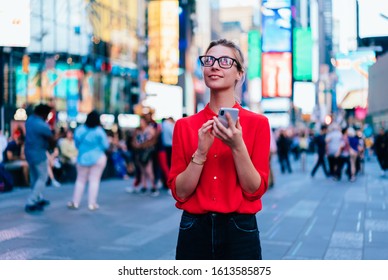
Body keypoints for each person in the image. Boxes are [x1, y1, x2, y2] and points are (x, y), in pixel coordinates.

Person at [167, 39, 270, 260]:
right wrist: (200, 153)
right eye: (209, 60)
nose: (214, 66)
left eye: (225, 61)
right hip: (194, 228)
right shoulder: (184, 126)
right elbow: (180, 192)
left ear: (239, 74)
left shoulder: (258, 123)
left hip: (240, 229)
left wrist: (237, 146)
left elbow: (254, 190)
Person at [67, 110, 109, 211]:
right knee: (94, 181)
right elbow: (105, 146)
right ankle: (92, 204)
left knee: (80, 180)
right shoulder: (99, 131)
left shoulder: (80, 130)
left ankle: (75, 202)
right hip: (98, 158)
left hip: (82, 158)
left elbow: (76, 144)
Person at [24, 104, 56, 213]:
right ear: (43, 114)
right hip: (39, 153)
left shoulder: (29, 120)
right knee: (43, 178)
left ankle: (38, 198)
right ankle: (31, 201)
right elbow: (51, 138)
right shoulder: (42, 125)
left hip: (28, 152)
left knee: (34, 177)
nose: (48, 117)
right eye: (47, 115)